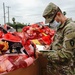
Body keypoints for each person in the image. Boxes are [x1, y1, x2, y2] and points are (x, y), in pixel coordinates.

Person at [36, 2, 75, 75]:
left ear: (59, 14)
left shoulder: (70, 28)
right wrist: (49, 48)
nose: (51, 24)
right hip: (55, 70)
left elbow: (66, 55)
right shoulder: (60, 27)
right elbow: (57, 44)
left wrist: (44, 53)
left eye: (52, 21)